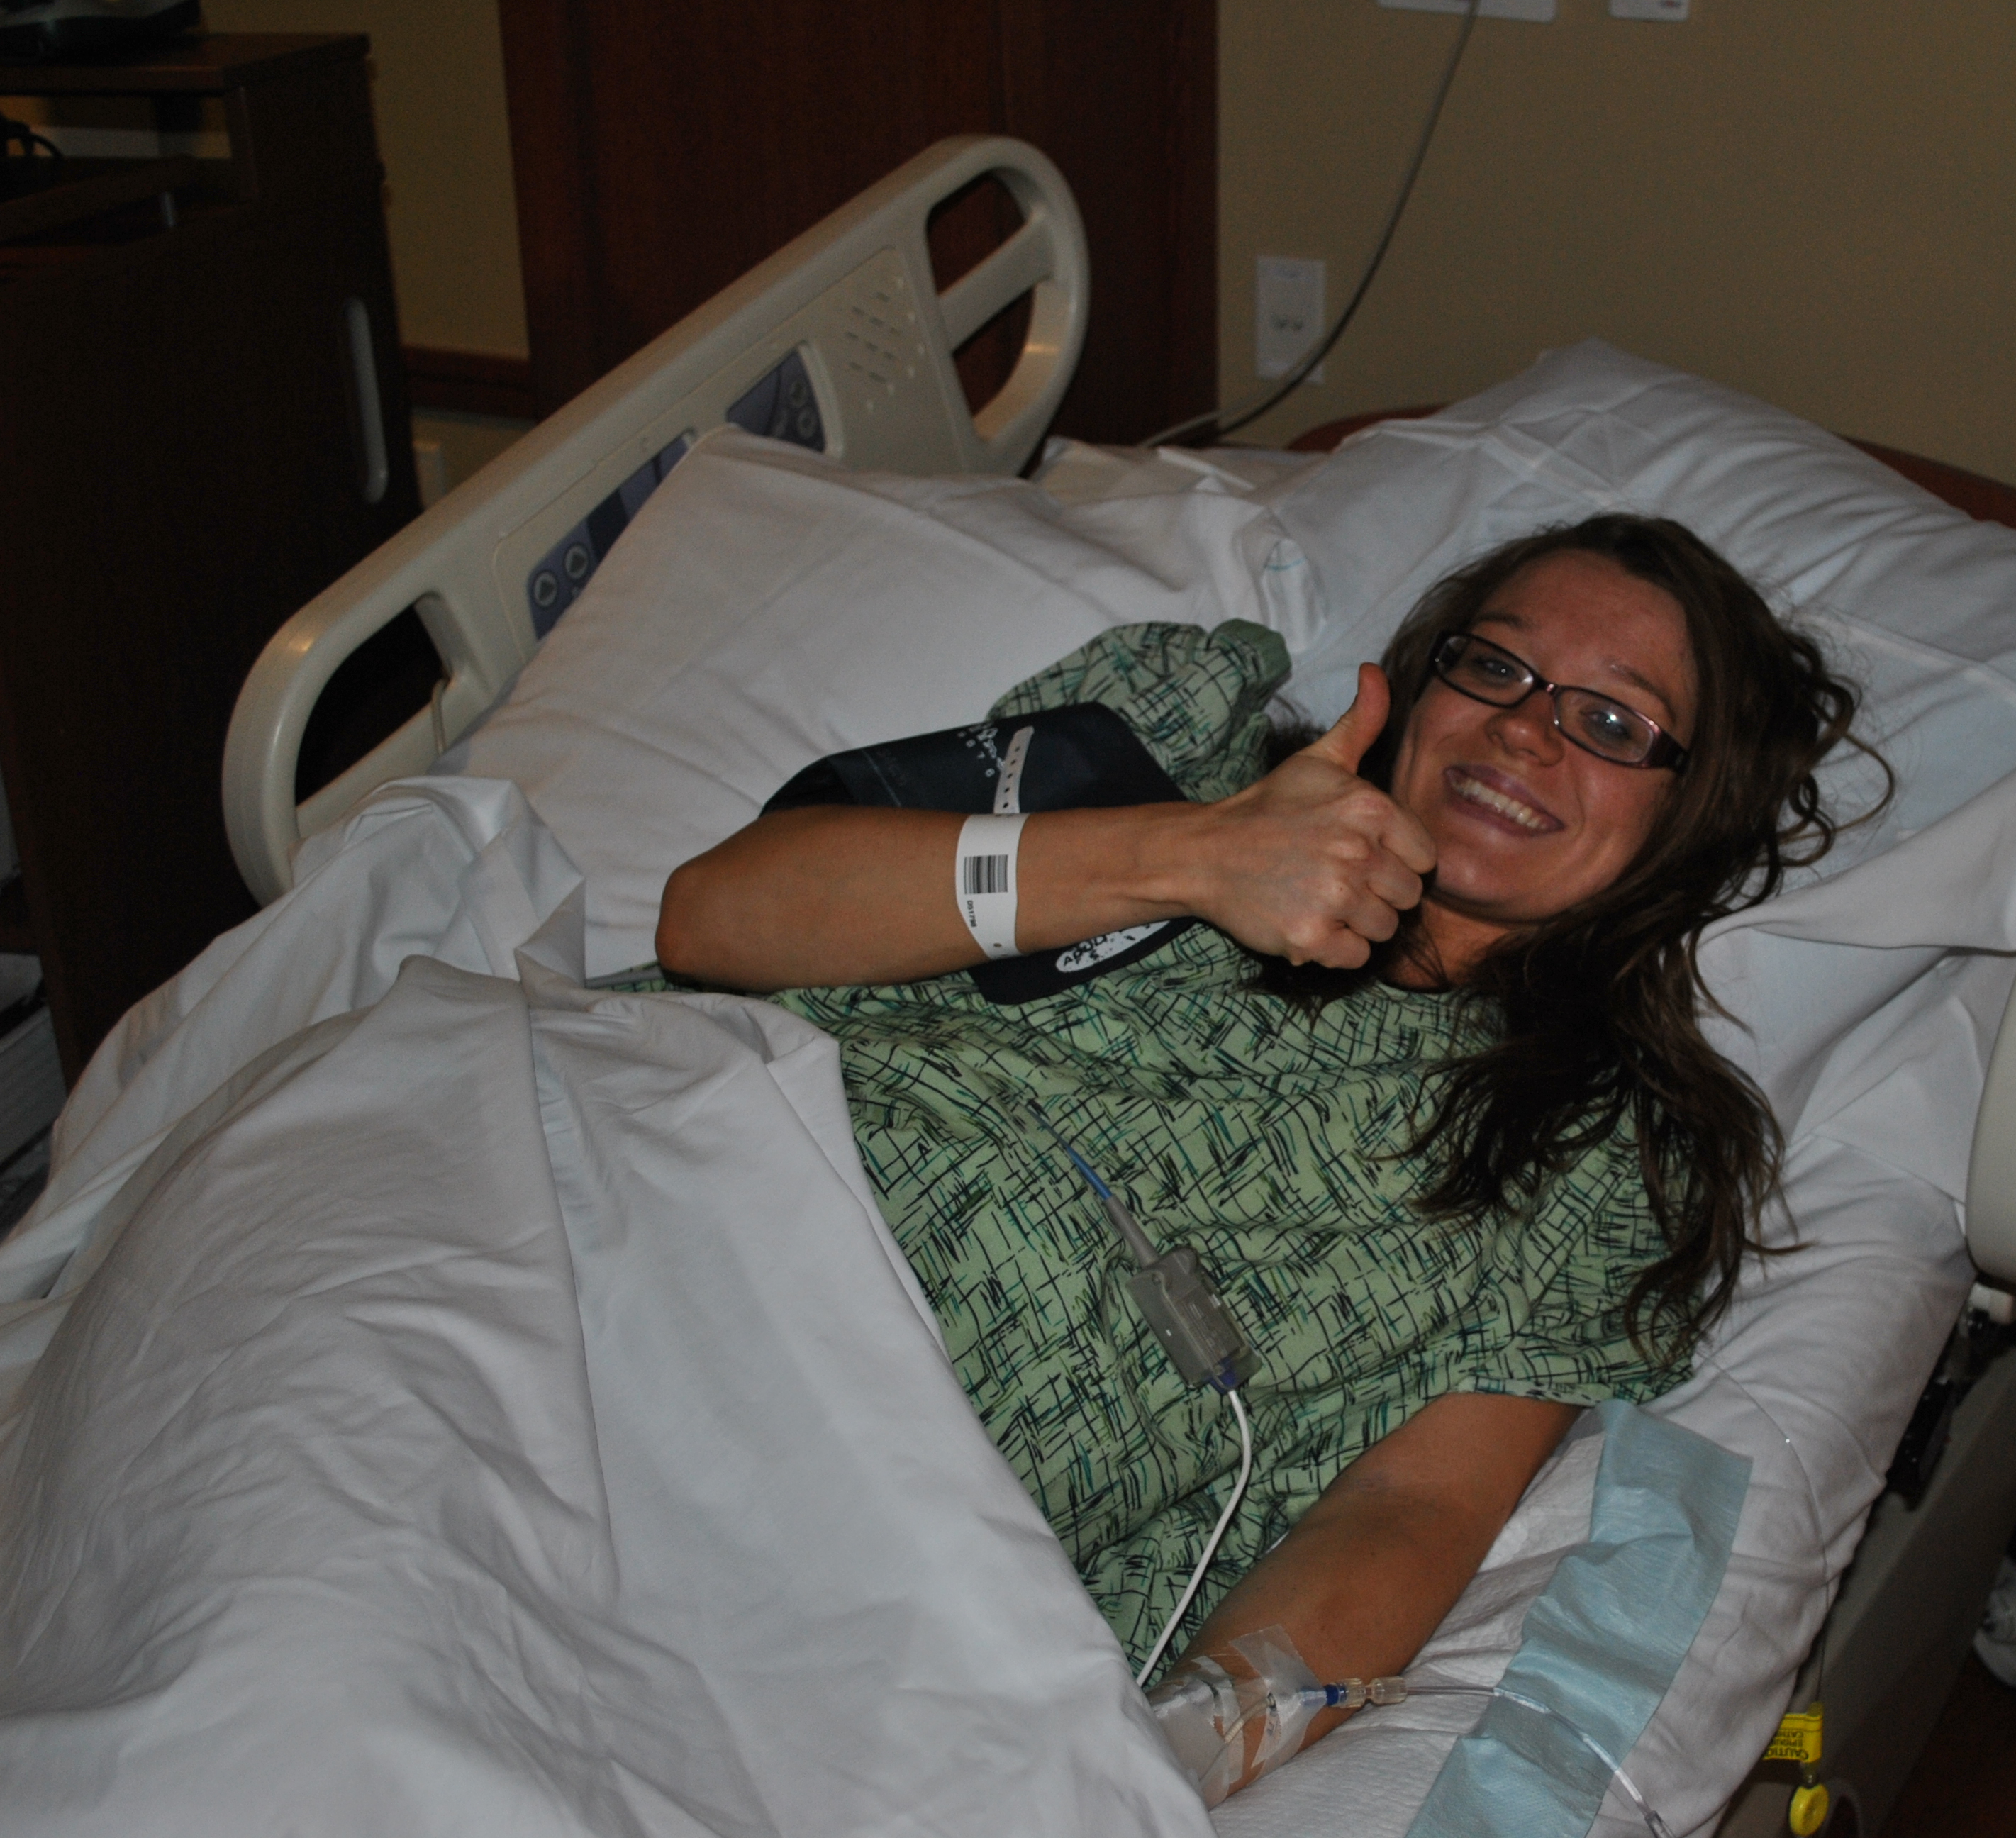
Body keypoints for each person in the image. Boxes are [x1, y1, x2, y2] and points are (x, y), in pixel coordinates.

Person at [656, 513, 1871, 1761]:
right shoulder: (1179, 750)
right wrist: (1190, 854)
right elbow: (711, 919)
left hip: (829, 1541)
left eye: (1611, 723)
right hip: (649, 1206)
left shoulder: (1598, 1160)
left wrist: (1182, 1757)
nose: (1524, 728)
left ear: (1693, 816)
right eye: (1495, 665)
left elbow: (1411, 1507)